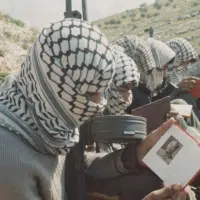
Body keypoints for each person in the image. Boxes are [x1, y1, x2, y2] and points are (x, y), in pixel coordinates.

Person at [0, 18, 116, 200]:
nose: (99, 105)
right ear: (56, 86)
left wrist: (134, 157)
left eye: (102, 92)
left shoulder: (52, 120)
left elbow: (74, 165)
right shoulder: (8, 156)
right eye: (91, 93)